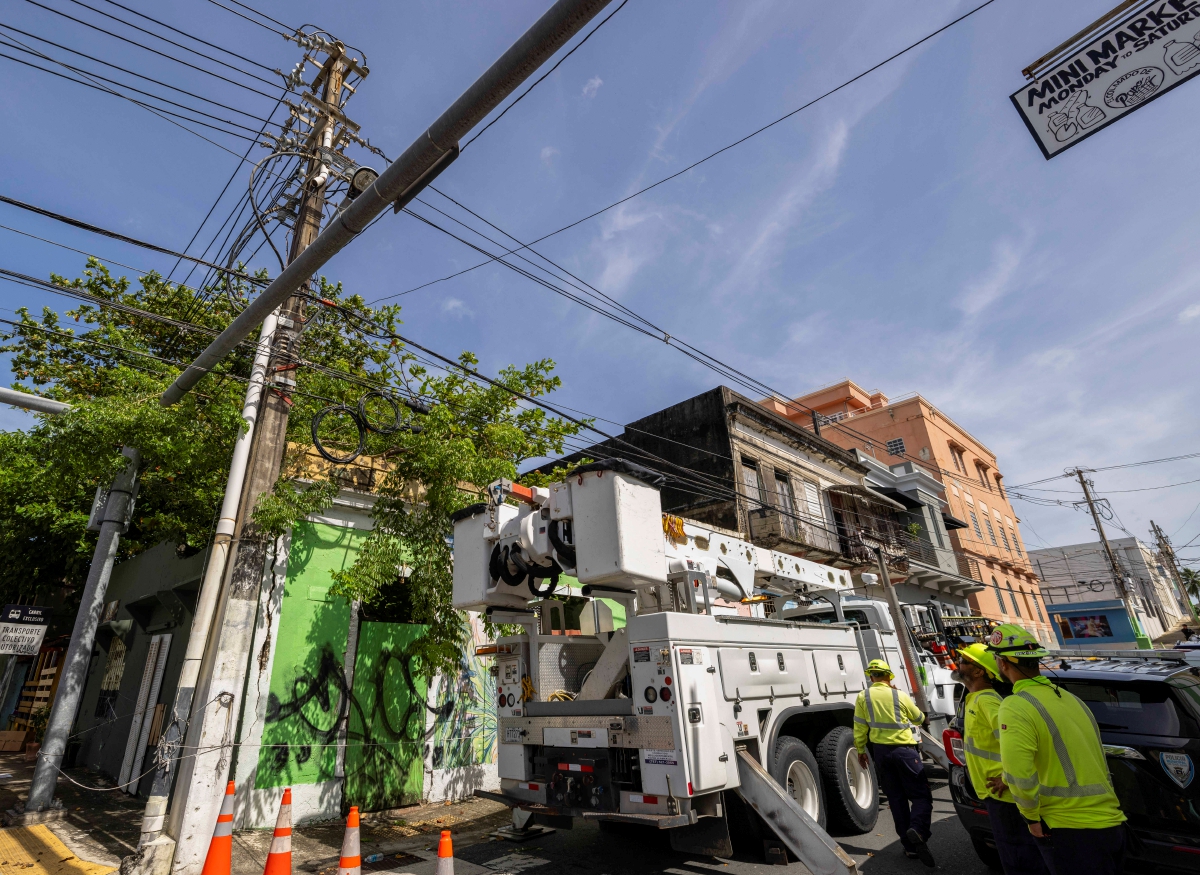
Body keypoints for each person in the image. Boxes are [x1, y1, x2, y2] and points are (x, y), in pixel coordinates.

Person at [987, 623, 1126, 875]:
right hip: (1111, 823)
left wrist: (1031, 818)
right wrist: (1006, 779)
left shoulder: (1015, 705)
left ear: (1002, 663)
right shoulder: (1072, 699)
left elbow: (1020, 772)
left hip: (1069, 828)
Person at [955, 643, 1051, 875]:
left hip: (1007, 797)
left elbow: (1017, 745)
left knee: (1021, 860)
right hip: (995, 796)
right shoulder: (974, 700)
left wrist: (1007, 779)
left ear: (979, 672)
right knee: (1015, 856)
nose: (959, 664)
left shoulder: (988, 701)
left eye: (965, 661)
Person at [853, 658, 935, 866]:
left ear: (871, 676)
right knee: (921, 796)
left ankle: (909, 848)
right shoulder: (899, 695)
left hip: (881, 753)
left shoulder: (863, 697)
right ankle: (917, 829)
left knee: (896, 800)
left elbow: (860, 727)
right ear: (889, 676)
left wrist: (861, 750)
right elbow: (918, 719)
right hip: (905, 752)